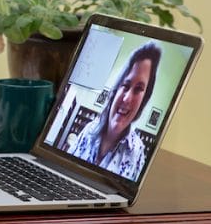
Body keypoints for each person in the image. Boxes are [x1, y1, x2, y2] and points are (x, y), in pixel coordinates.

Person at [68, 41, 161, 180]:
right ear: (116, 89)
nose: (127, 99)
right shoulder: (89, 130)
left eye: (138, 89)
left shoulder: (137, 153)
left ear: (144, 100)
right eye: (126, 85)